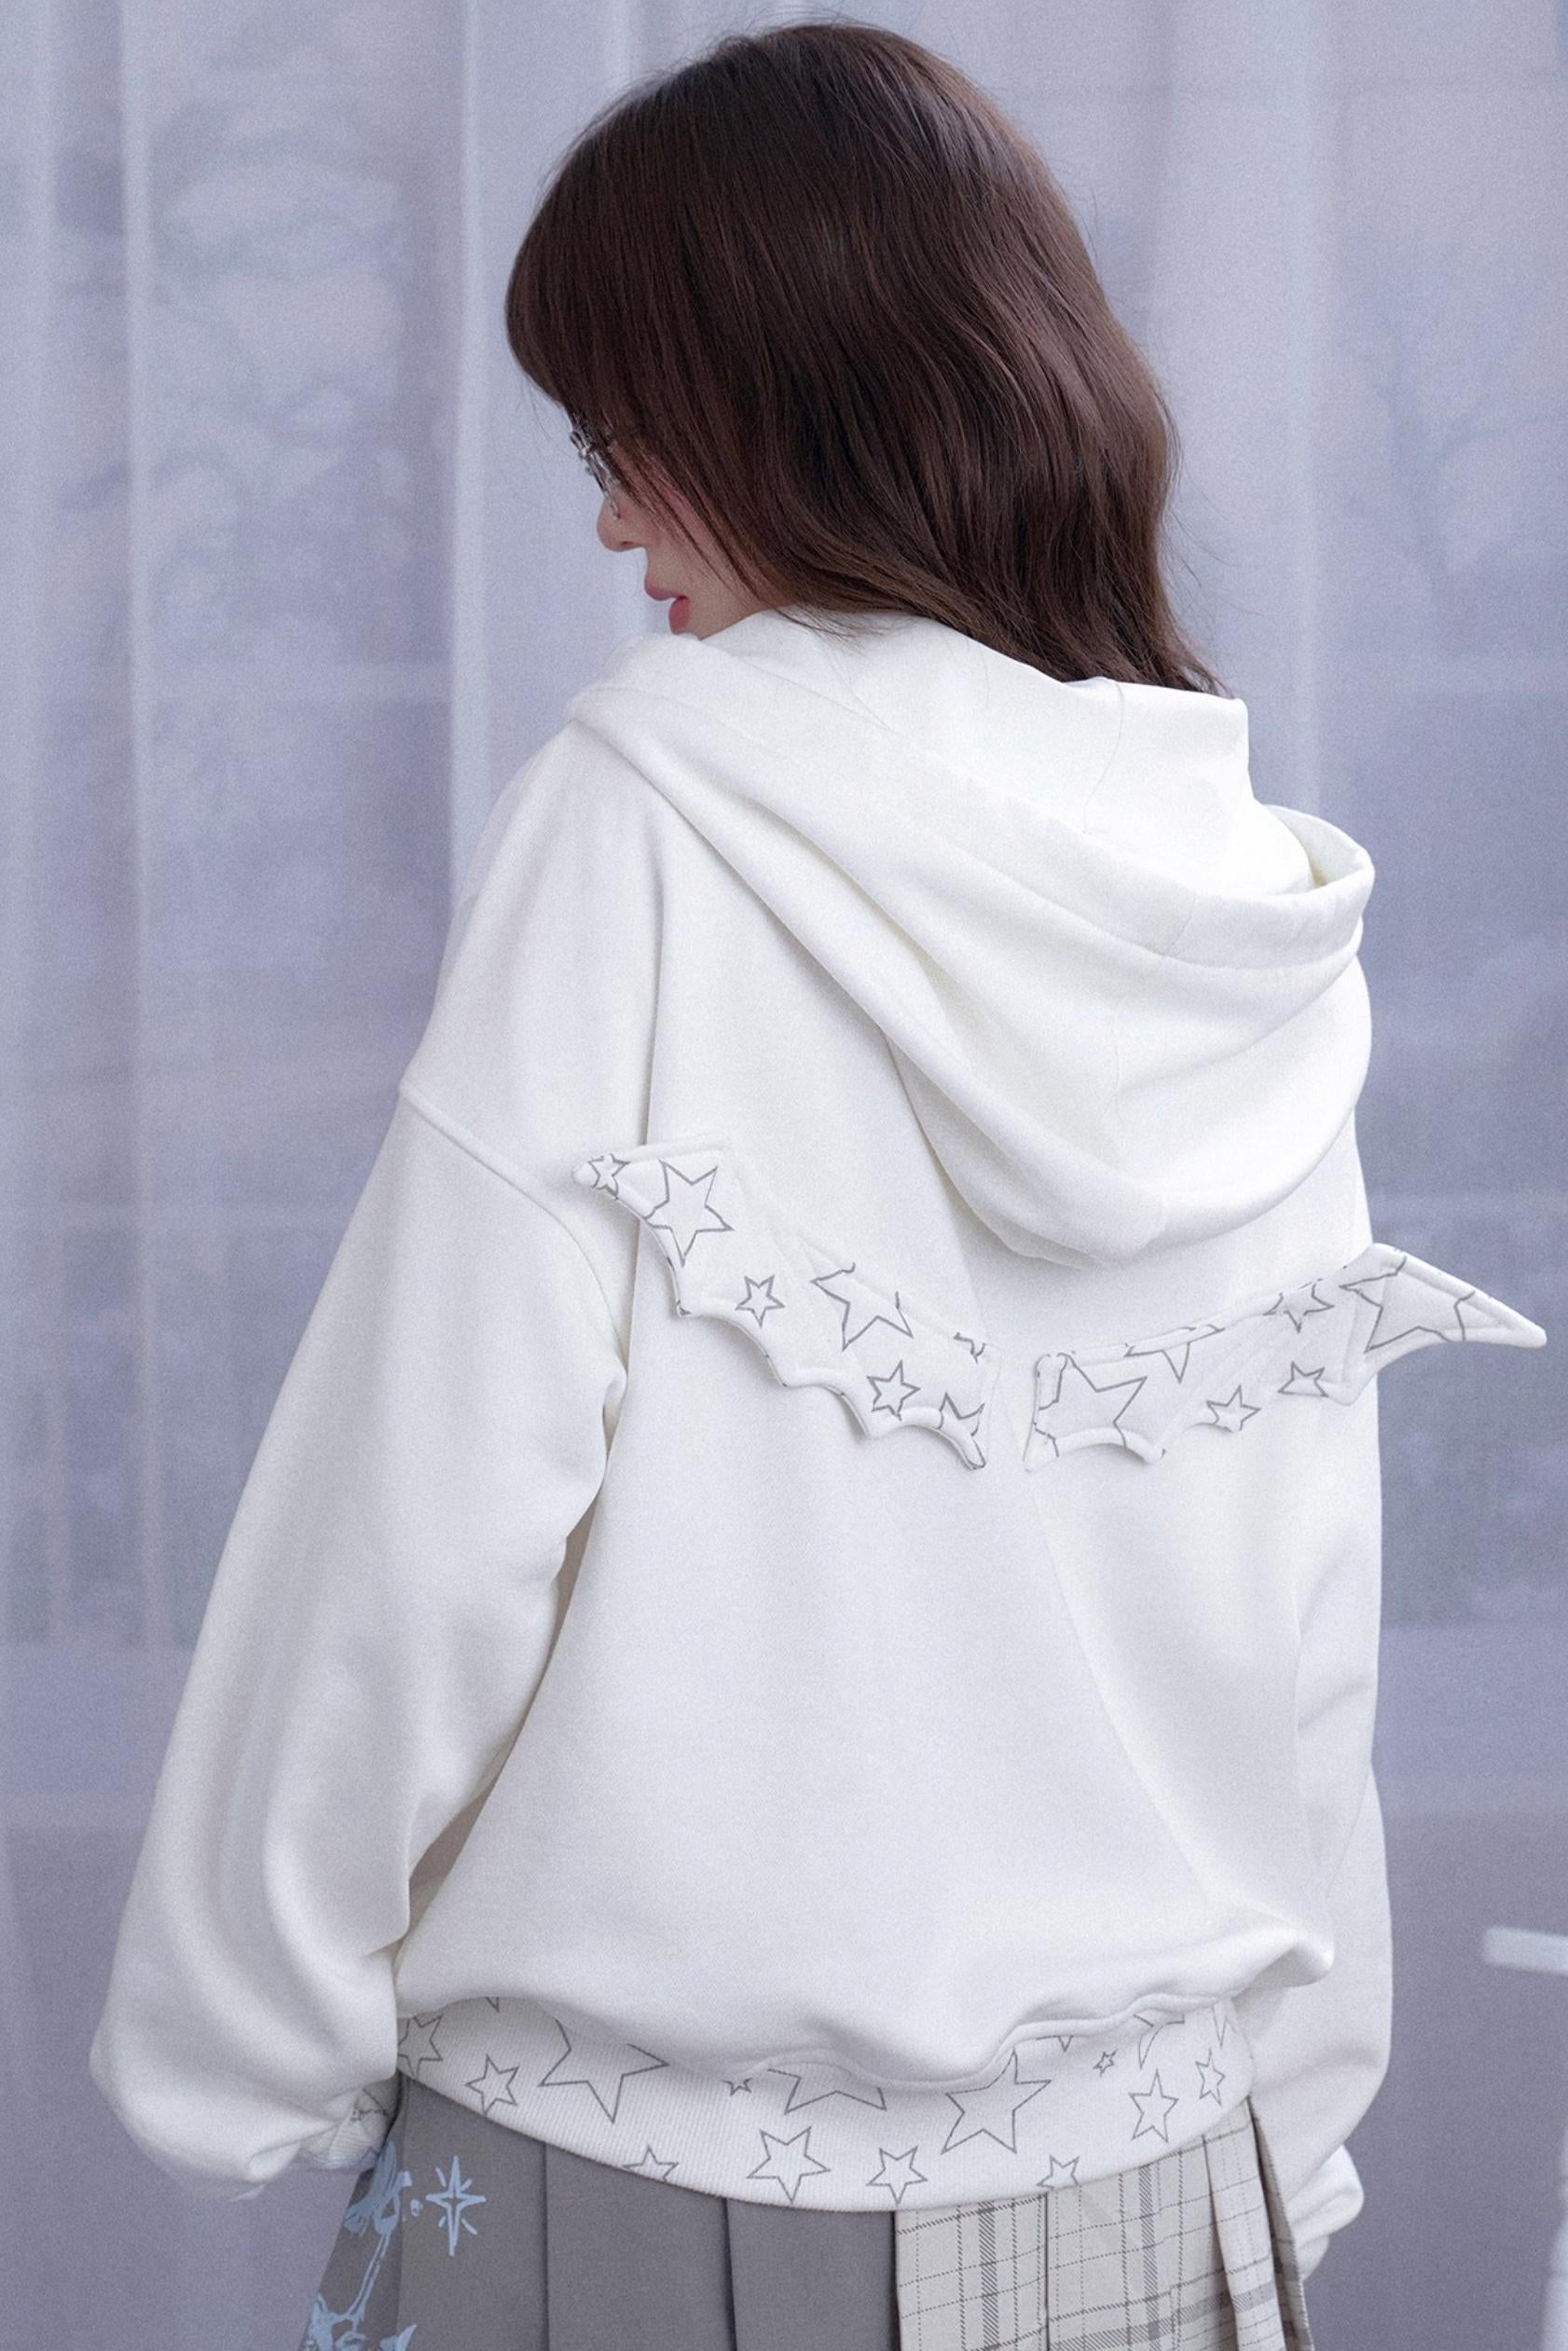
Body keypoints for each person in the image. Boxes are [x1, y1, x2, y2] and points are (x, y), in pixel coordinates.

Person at [88, 21, 1547, 2351]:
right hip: (1166, 2197)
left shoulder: (646, 808)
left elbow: (424, 1501)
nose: (606, 519)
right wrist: (1296, 2120)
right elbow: (1304, 1606)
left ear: (787, 403)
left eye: (621, 436)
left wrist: (234, 2037)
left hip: (621, 2193)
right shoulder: (1235, 890)